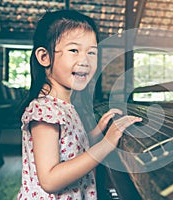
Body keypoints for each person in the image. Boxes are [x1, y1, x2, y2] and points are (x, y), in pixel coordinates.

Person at [17, 10, 142, 199]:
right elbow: (50, 180)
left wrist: (97, 133)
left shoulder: (64, 105)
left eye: (91, 52)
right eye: (74, 50)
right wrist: (107, 144)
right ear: (45, 57)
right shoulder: (44, 111)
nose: (85, 60)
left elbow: (69, 148)